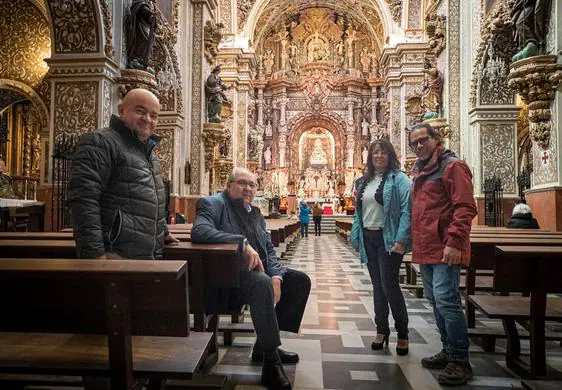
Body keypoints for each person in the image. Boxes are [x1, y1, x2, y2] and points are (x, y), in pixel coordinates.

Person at [191, 167, 311, 390]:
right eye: (241, 183)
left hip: (255, 274)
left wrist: (277, 275)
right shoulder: (214, 204)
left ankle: (263, 345)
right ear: (229, 185)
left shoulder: (254, 213)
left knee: (298, 281)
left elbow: (268, 250)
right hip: (227, 279)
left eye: (252, 185)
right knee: (261, 283)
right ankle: (271, 361)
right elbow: (199, 231)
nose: (247, 188)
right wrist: (242, 243)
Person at [69, 88, 179, 261]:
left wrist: (163, 231)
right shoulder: (99, 142)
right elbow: (84, 201)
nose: (147, 119)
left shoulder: (148, 153)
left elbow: (144, 198)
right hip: (116, 254)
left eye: (154, 115)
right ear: (121, 110)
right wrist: (93, 255)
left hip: (146, 255)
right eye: (140, 111)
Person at [408, 123, 477, 386]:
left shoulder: (452, 166)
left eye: (422, 140)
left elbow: (465, 207)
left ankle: (460, 359)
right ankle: (449, 350)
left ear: (436, 139)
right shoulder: (422, 169)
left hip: (445, 246)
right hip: (427, 247)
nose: (418, 146)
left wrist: (455, 242)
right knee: (436, 301)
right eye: (414, 143)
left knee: (447, 301)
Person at [350, 139, 411, 356]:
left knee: (389, 286)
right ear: (370, 156)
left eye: (383, 152)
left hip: (389, 240)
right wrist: (355, 236)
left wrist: (401, 239)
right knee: (377, 285)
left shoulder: (400, 179)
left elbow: (407, 210)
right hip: (369, 237)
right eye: (375, 152)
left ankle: (402, 333)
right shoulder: (362, 182)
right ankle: (381, 330)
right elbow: (359, 212)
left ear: (390, 155)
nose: (378, 156)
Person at [125, 0, 157, 72]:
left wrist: (152, 17)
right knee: (144, 40)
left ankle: (142, 59)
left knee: (150, 41)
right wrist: (150, 13)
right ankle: (135, 58)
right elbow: (140, 8)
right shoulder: (140, 3)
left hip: (145, 25)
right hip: (139, 25)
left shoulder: (148, 4)